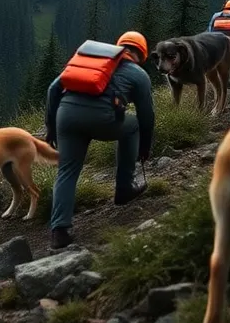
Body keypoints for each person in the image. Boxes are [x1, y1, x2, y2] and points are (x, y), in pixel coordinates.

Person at [45, 30, 156, 249]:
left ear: (119, 47)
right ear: (141, 55)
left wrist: (51, 128)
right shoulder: (138, 74)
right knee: (132, 125)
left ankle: (59, 231)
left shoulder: (88, 60)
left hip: (66, 117)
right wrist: (145, 146)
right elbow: (147, 115)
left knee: (66, 171)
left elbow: (53, 89)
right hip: (103, 119)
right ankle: (124, 188)